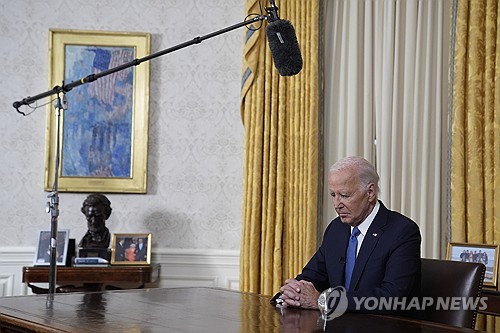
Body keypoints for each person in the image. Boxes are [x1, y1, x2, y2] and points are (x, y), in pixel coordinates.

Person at [276, 156, 421, 313]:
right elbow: (312, 276)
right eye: (333, 195)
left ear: (370, 192)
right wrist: (289, 294)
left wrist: (323, 301)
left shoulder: (402, 231)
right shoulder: (336, 229)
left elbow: (392, 297)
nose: (337, 204)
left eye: (345, 195)